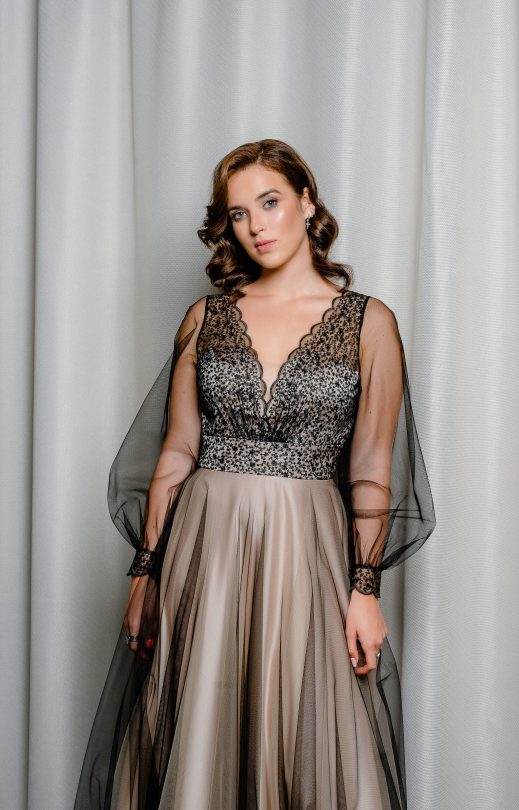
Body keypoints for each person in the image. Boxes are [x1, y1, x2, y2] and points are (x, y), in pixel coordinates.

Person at [74, 138, 436, 809]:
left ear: (307, 201)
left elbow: (370, 467)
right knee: (198, 722)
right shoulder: (205, 318)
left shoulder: (369, 322)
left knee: (305, 723)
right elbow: (177, 451)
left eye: (269, 203)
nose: (256, 226)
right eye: (238, 214)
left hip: (306, 549)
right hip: (204, 549)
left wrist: (365, 589)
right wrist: (145, 573)